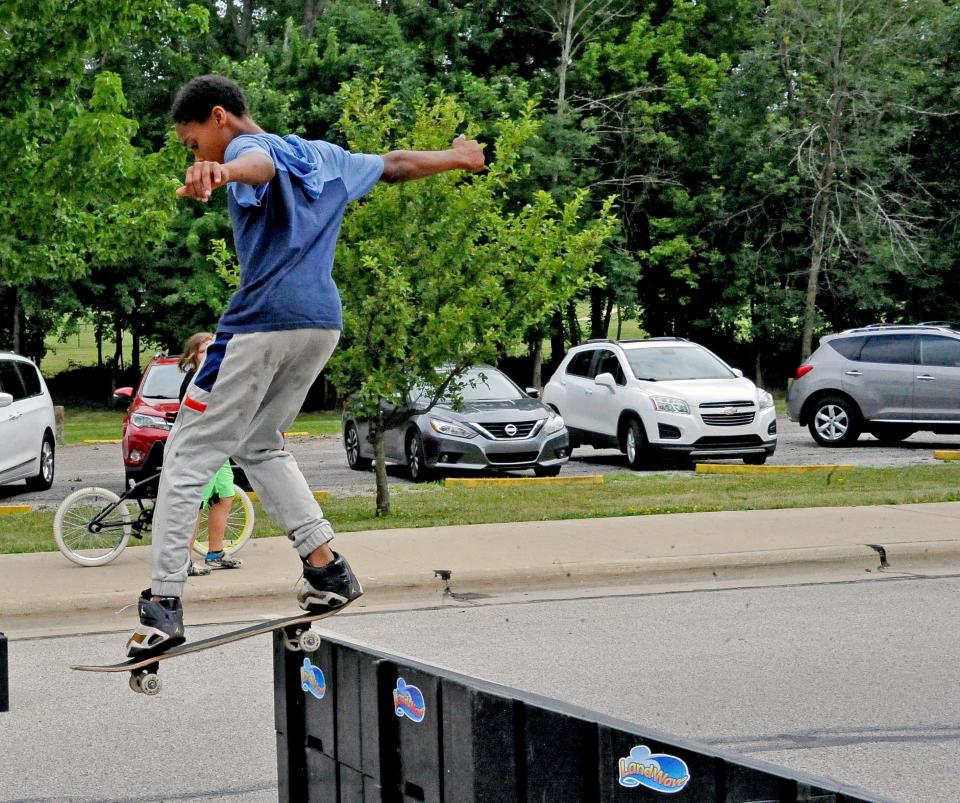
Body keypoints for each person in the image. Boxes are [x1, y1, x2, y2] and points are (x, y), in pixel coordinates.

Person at [125, 74, 485, 657]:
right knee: (261, 444)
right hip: (319, 324)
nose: (196, 156)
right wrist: (457, 157)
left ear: (219, 117)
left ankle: (164, 604)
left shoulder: (242, 149)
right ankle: (326, 569)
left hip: (260, 323)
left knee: (188, 457)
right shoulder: (326, 157)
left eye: (193, 145)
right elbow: (393, 164)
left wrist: (223, 171)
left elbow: (258, 165)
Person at [176, 332, 243, 577]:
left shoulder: (218, 377)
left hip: (219, 448)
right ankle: (183, 560)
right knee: (196, 504)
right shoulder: (196, 381)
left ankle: (215, 553)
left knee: (225, 495)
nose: (209, 356)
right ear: (192, 356)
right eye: (204, 351)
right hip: (201, 448)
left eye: (212, 351)